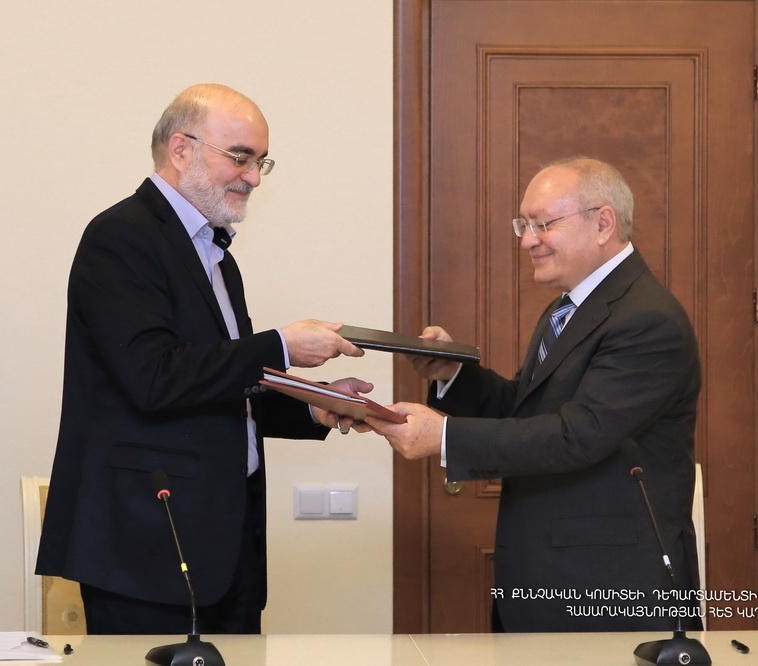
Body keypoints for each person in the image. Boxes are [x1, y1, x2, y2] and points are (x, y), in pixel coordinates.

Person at [36, 83, 370, 635]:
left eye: (261, 162)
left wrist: (316, 406)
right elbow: (153, 377)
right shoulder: (120, 236)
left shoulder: (215, 254)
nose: (254, 177)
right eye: (240, 157)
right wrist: (281, 345)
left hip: (227, 548)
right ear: (181, 149)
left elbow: (221, 384)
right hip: (147, 549)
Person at [368, 157, 702, 632]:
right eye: (523, 225)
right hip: (552, 576)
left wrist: (444, 437)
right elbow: (528, 412)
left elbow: (577, 436)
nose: (527, 240)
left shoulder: (647, 319)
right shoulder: (567, 309)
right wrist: (454, 374)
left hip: (607, 588)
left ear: (603, 223)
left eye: (543, 224)